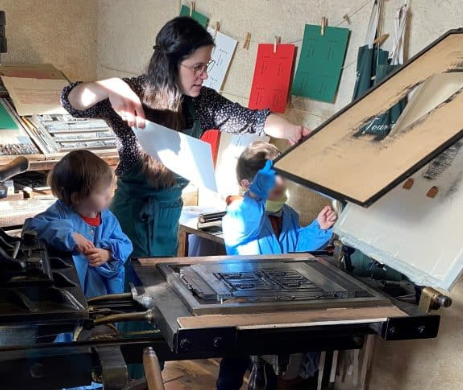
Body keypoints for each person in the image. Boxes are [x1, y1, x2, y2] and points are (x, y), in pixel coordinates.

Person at [60, 16, 311, 271]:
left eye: (206, 65)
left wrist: (292, 129)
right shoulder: (132, 93)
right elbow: (72, 101)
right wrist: (109, 86)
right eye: (197, 67)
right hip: (126, 221)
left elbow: (253, 119)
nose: (204, 74)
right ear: (171, 64)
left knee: (158, 290)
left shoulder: (202, 103)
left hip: (168, 223)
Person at [215, 141, 337, 390]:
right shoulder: (238, 214)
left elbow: (294, 244)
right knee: (234, 364)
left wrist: (318, 229)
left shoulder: (288, 214)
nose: (281, 187)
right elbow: (246, 224)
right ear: (249, 185)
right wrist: (258, 196)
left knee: (268, 365)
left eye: (283, 179)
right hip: (245, 302)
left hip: (277, 301)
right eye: (272, 181)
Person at [24, 150, 132, 298]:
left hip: (102, 295)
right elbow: (32, 228)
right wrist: (69, 235)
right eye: (102, 192)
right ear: (77, 198)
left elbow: (125, 244)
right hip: (68, 295)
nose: (110, 195)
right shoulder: (60, 213)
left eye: (110, 188)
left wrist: (108, 254)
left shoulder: (108, 218)